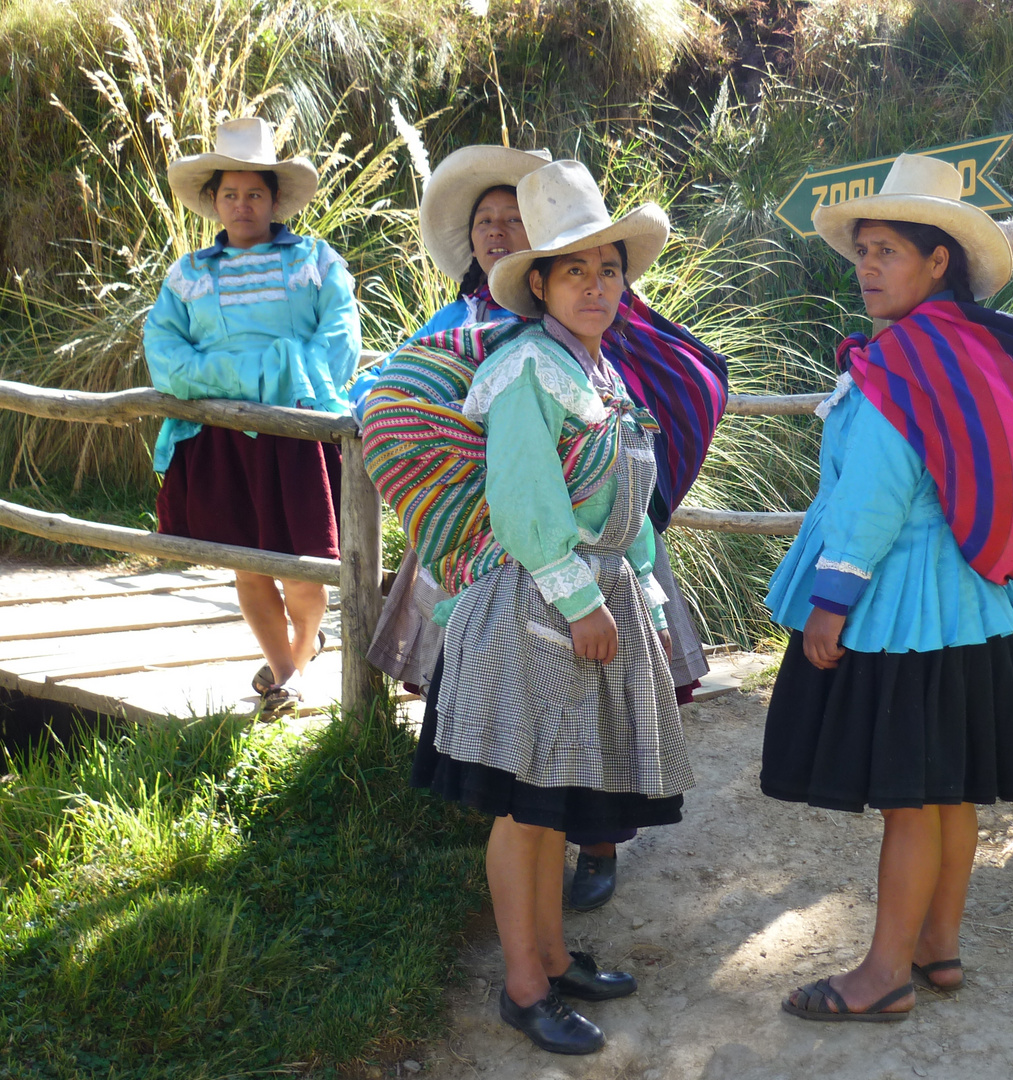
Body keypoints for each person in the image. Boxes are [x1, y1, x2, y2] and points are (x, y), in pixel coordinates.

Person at [762, 154, 1013, 1022]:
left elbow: (873, 497)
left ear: (937, 263)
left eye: (888, 251)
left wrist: (832, 601)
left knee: (910, 802)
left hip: (899, 608)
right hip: (969, 605)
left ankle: (881, 974)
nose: (869, 267)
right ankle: (939, 946)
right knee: (949, 788)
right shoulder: (967, 352)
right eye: (863, 252)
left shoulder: (898, 368)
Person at [372, 159, 693, 1055]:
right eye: (576, 270)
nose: (598, 285)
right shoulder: (526, 371)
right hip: (533, 611)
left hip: (590, 603)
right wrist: (583, 600)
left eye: (610, 268)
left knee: (555, 796)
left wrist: (649, 598)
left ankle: (552, 956)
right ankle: (522, 987)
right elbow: (524, 505)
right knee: (525, 806)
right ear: (539, 283)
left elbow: (623, 504)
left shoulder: (596, 371)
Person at [145, 117, 360, 720]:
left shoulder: (316, 261)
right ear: (214, 201)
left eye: (255, 193)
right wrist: (258, 375)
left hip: (296, 433)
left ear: (274, 199)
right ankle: (291, 674)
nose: (243, 205)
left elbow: (338, 341)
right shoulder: (189, 276)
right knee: (247, 566)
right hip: (219, 438)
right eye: (231, 194)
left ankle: (297, 652)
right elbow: (167, 356)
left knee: (304, 571)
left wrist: (286, 380)